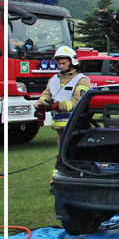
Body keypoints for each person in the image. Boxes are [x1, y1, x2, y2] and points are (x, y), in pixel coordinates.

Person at [34, 47, 91, 182]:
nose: (61, 66)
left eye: (63, 63)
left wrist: (57, 106)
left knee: (73, 153)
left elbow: (78, 102)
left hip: (75, 125)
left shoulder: (81, 80)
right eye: (59, 63)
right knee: (62, 153)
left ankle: (72, 178)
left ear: (72, 62)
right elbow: (47, 94)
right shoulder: (54, 79)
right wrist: (41, 103)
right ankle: (59, 179)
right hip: (59, 126)